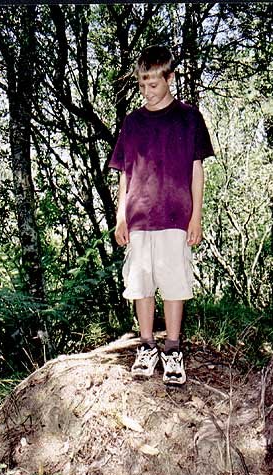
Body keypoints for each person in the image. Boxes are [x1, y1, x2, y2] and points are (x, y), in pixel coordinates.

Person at [109, 45, 214, 385]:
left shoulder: (189, 117)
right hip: (139, 216)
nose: (147, 91)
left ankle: (172, 348)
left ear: (170, 78)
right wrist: (121, 215)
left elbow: (197, 171)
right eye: (141, 84)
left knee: (173, 283)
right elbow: (124, 172)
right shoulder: (133, 122)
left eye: (153, 84)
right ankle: (147, 346)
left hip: (175, 215)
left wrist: (196, 215)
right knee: (140, 283)